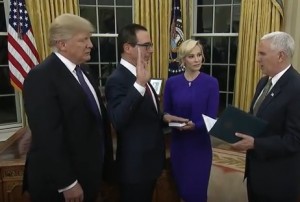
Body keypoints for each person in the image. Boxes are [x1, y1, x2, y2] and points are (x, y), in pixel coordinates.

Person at [23, 14, 112, 202]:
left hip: (88, 175)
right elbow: (48, 136)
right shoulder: (42, 77)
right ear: (62, 44)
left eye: (90, 38)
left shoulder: (85, 70)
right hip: (61, 185)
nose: (91, 45)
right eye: (84, 39)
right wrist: (68, 183)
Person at [105, 23, 185, 202]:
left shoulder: (140, 74)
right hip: (134, 168)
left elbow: (146, 114)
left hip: (150, 163)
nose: (152, 50)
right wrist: (139, 85)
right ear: (127, 48)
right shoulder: (117, 80)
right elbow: (118, 120)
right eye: (146, 45)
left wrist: (164, 117)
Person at [232, 31, 300, 202]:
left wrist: (255, 143)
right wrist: (232, 125)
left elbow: (294, 139)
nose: (257, 59)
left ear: (280, 56)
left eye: (262, 54)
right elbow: (255, 118)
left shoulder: (296, 87)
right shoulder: (263, 82)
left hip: (278, 181)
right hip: (256, 174)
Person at [163, 39, 219, 202]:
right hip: (179, 145)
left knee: (196, 193)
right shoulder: (172, 83)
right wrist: (168, 118)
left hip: (199, 146)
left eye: (199, 55)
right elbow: (166, 112)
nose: (197, 59)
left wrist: (195, 126)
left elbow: (211, 118)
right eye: (191, 56)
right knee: (181, 191)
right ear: (183, 60)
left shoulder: (211, 83)